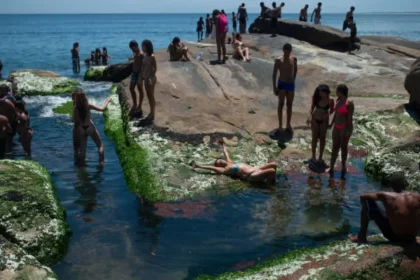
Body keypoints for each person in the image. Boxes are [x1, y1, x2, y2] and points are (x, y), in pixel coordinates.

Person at [349, 172, 419, 245]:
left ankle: (361, 236)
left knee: (369, 201)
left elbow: (363, 196)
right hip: (412, 236)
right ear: (405, 184)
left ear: (391, 185)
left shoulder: (387, 196)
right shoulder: (417, 197)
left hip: (394, 236)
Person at [191, 139, 277, 184]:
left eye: (221, 160)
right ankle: (269, 187)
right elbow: (212, 168)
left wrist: (222, 144)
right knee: (272, 171)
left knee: (274, 164)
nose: (222, 161)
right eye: (220, 163)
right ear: (220, 166)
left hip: (256, 169)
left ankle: (270, 180)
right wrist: (199, 166)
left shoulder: (230, 162)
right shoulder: (225, 170)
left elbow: (226, 152)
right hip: (251, 176)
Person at [72, 89, 112, 165]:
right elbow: (102, 109)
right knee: (100, 145)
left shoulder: (75, 108)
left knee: (82, 151)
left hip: (81, 129)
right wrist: (107, 100)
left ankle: (81, 168)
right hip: (89, 127)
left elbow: (73, 120)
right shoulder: (88, 105)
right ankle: (101, 163)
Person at [328, 84, 354, 180]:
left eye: (337, 90)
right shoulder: (338, 100)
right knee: (335, 146)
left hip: (344, 126)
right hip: (336, 126)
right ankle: (331, 167)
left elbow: (350, 117)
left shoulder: (349, 102)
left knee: (343, 147)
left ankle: (343, 166)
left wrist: (349, 129)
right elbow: (336, 113)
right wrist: (331, 124)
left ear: (340, 91)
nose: (335, 92)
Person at [272, 43, 298, 135]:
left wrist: (293, 79)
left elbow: (295, 69)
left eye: (288, 51)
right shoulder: (279, 60)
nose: (287, 53)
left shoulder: (293, 59)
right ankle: (280, 125)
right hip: (282, 84)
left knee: (289, 105)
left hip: (290, 84)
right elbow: (274, 74)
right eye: (285, 51)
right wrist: (274, 87)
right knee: (281, 104)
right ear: (283, 50)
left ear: (290, 51)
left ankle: (288, 125)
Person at [306, 84, 335, 166]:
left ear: (327, 93)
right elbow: (311, 108)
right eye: (319, 92)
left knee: (322, 138)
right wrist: (309, 117)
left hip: (324, 121)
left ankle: (320, 157)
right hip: (315, 120)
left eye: (322, 93)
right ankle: (313, 156)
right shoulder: (316, 98)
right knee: (314, 138)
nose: (320, 94)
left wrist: (328, 113)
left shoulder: (331, 100)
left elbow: (332, 110)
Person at [140, 40, 157, 124]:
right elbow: (143, 67)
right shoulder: (145, 55)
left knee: (151, 96)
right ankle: (151, 112)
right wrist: (141, 76)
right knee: (148, 95)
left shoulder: (152, 56)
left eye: (143, 46)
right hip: (145, 78)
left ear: (147, 47)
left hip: (150, 79)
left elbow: (155, 68)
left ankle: (152, 113)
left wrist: (151, 76)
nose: (142, 48)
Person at [128, 40, 144, 119]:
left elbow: (143, 65)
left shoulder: (141, 54)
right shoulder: (135, 53)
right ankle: (135, 104)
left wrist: (141, 75)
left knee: (140, 89)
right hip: (134, 73)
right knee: (131, 88)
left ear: (136, 46)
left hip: (139, 74)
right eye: (131, 49)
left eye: (132, 48)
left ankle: (139, 105)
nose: (132, 50)